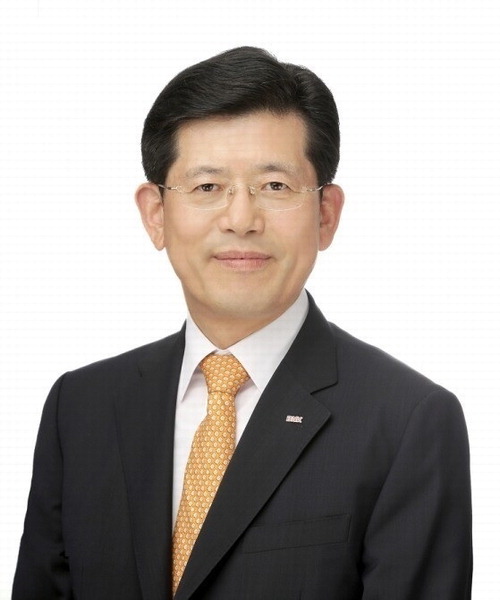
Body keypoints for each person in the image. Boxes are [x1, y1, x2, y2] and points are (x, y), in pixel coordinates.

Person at [12, 46, 472, 600]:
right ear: (155, 214)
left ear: (326, 214)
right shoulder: (81, 407)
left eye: (274, 186)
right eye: (207, 187)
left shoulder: (408, 422)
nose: (241, 219)